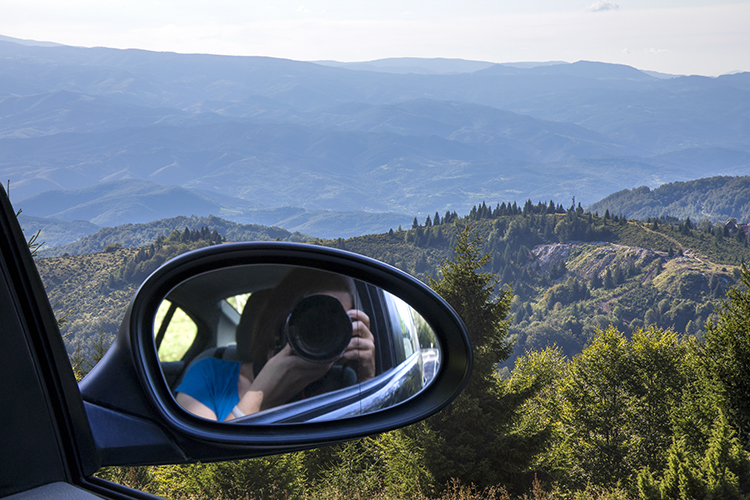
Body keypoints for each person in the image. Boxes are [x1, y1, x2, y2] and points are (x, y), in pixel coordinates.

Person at [175, 267, 376, 421]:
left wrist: (366, 378)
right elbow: (202, 469)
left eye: (336, 323)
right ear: (277, 322)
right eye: (312, 320)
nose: (320, 332)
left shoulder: (345, 385)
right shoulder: (210, 375)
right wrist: (263, 399)